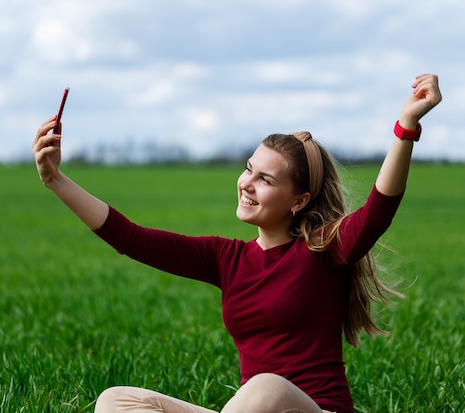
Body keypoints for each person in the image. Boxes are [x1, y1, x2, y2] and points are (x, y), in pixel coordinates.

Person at [33, 74, 442, 413]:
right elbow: (131, 238)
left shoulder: (325, 249)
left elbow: (379, 208)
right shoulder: (226, 258)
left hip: (314, 408)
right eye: (250, 170)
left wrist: (406, 127)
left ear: (299, 201)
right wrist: (55, 179)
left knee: (268, 388)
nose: (247, 184)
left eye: (266, 179)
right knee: (116, 401)